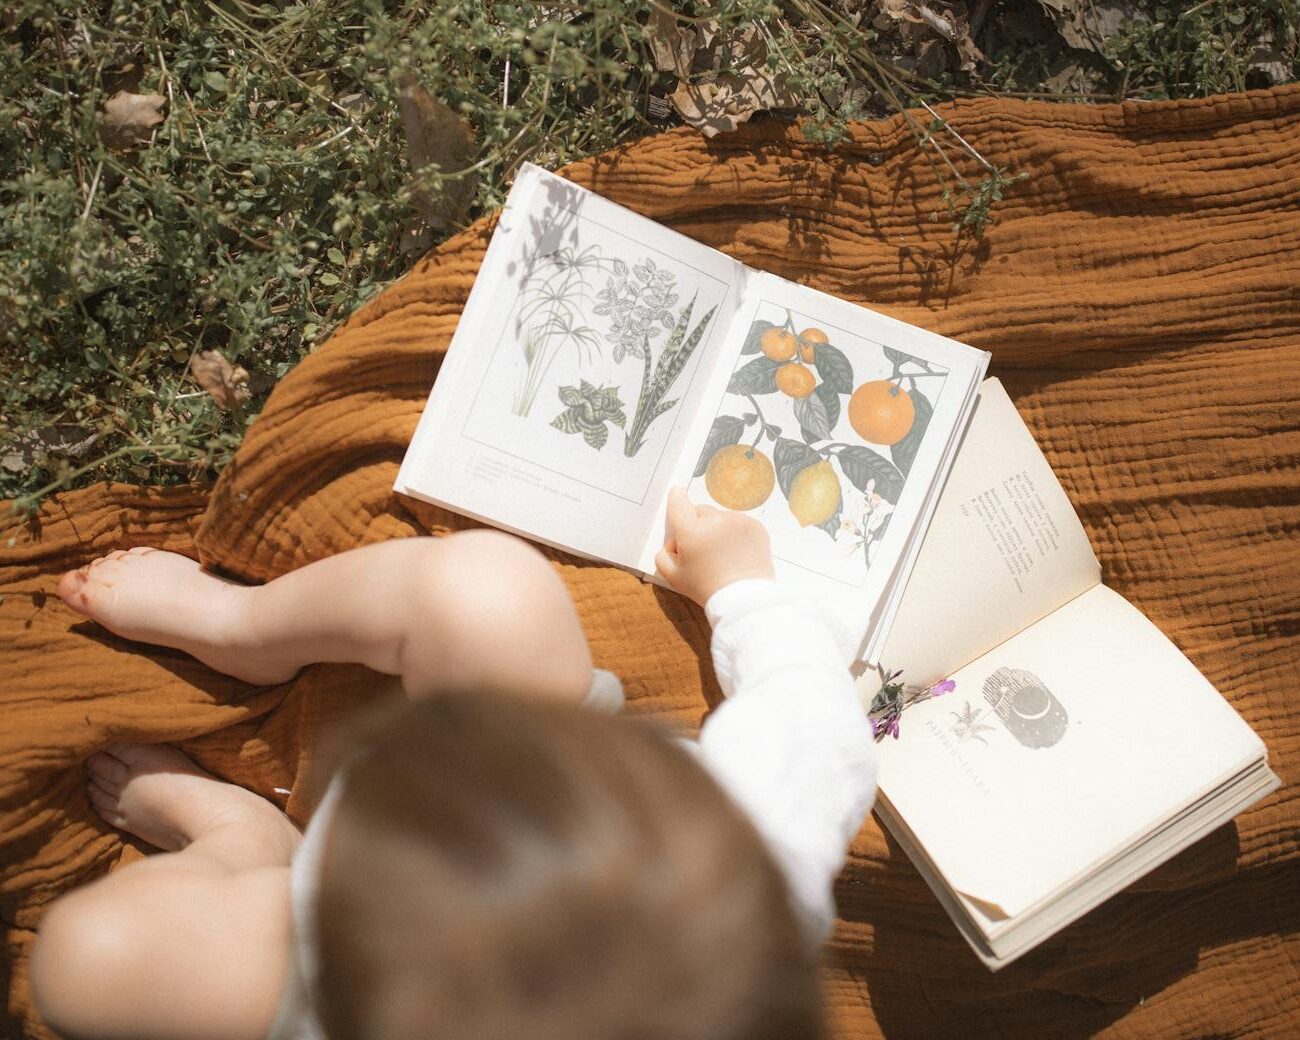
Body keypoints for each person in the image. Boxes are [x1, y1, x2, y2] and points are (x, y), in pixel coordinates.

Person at [29, 488, 876, 1040]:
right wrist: (743, 588)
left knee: (84, 962)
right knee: (484, 591)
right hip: (514, 777)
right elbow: (814, 717)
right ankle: (242, 629)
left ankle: (241, 845)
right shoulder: (743, 876)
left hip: (306, 963)